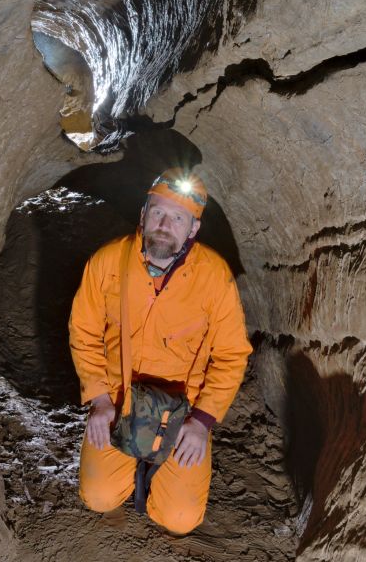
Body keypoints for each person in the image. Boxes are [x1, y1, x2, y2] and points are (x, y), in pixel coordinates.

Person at [68, 168, 252, 535]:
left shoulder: (214, 278)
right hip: (121, 404)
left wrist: (202, 422)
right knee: (98, 497)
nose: (165, 225)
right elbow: (83, 331)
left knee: (180, 520)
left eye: (178, 218)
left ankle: (160, 470)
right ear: (143, 215)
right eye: (157, 213)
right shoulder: (108, 263)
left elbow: (232, 355)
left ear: (193, 229)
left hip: (181, 414)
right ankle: (127, 461)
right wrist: (100, 399)